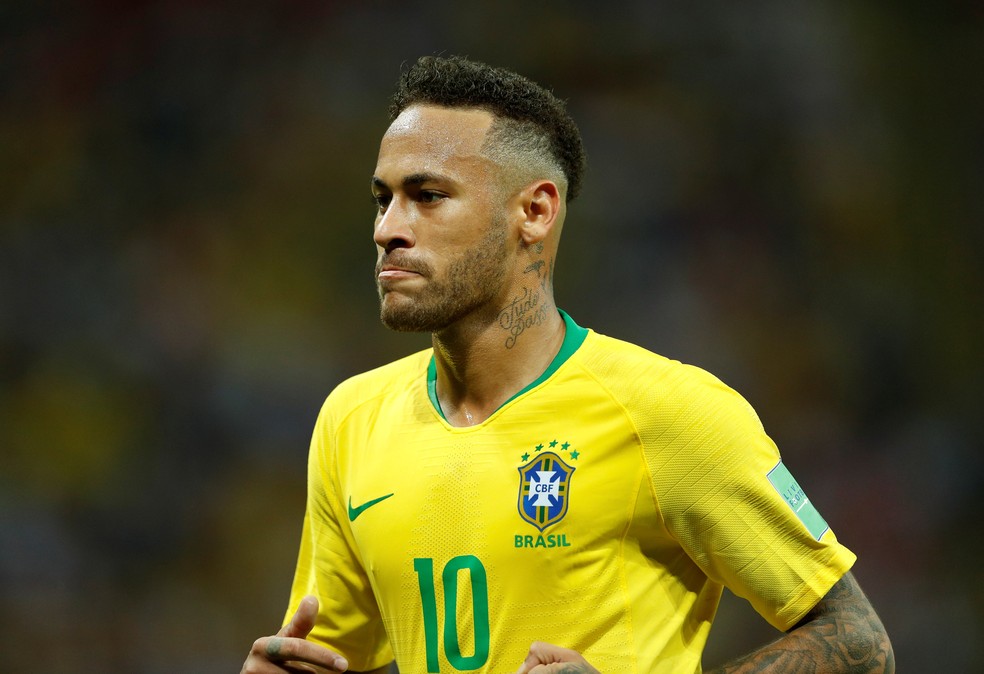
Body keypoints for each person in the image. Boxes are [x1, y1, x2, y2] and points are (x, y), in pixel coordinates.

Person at [242, 55, 894, 674]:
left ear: (535, 211)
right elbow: (335, 657)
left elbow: (858, 644)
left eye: (428, 195)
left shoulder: (669, 410)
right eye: (382, 198)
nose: (388, 228)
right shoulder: (351, 420)